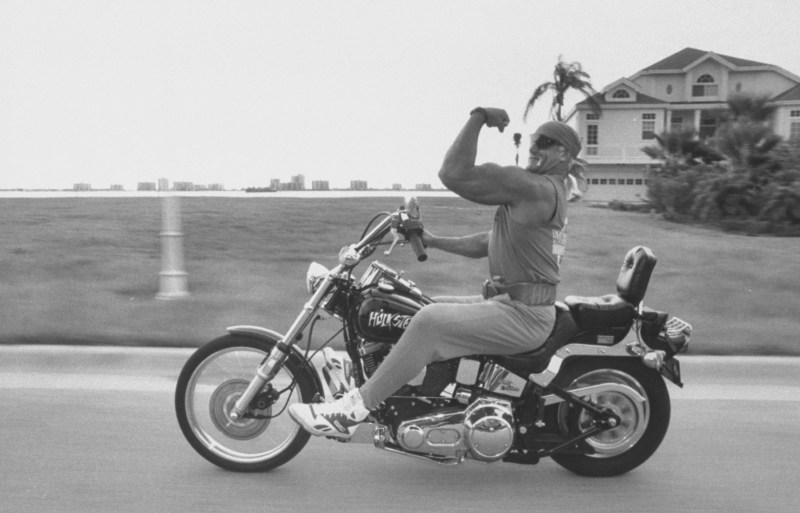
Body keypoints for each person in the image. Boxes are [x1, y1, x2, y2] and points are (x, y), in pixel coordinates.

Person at [288, 107, 586, 439]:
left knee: (429, 322)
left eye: (543, 142)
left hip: (524, 315)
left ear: (564, 154)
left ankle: (353, 412)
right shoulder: (543, 193)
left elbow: (454, 173)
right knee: (418, 307)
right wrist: (432, 240)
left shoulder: (536, 188)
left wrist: (479, 117)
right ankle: (414, 397)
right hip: (510, 304)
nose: (533, 147)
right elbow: (489, 242)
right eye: (533, 139)